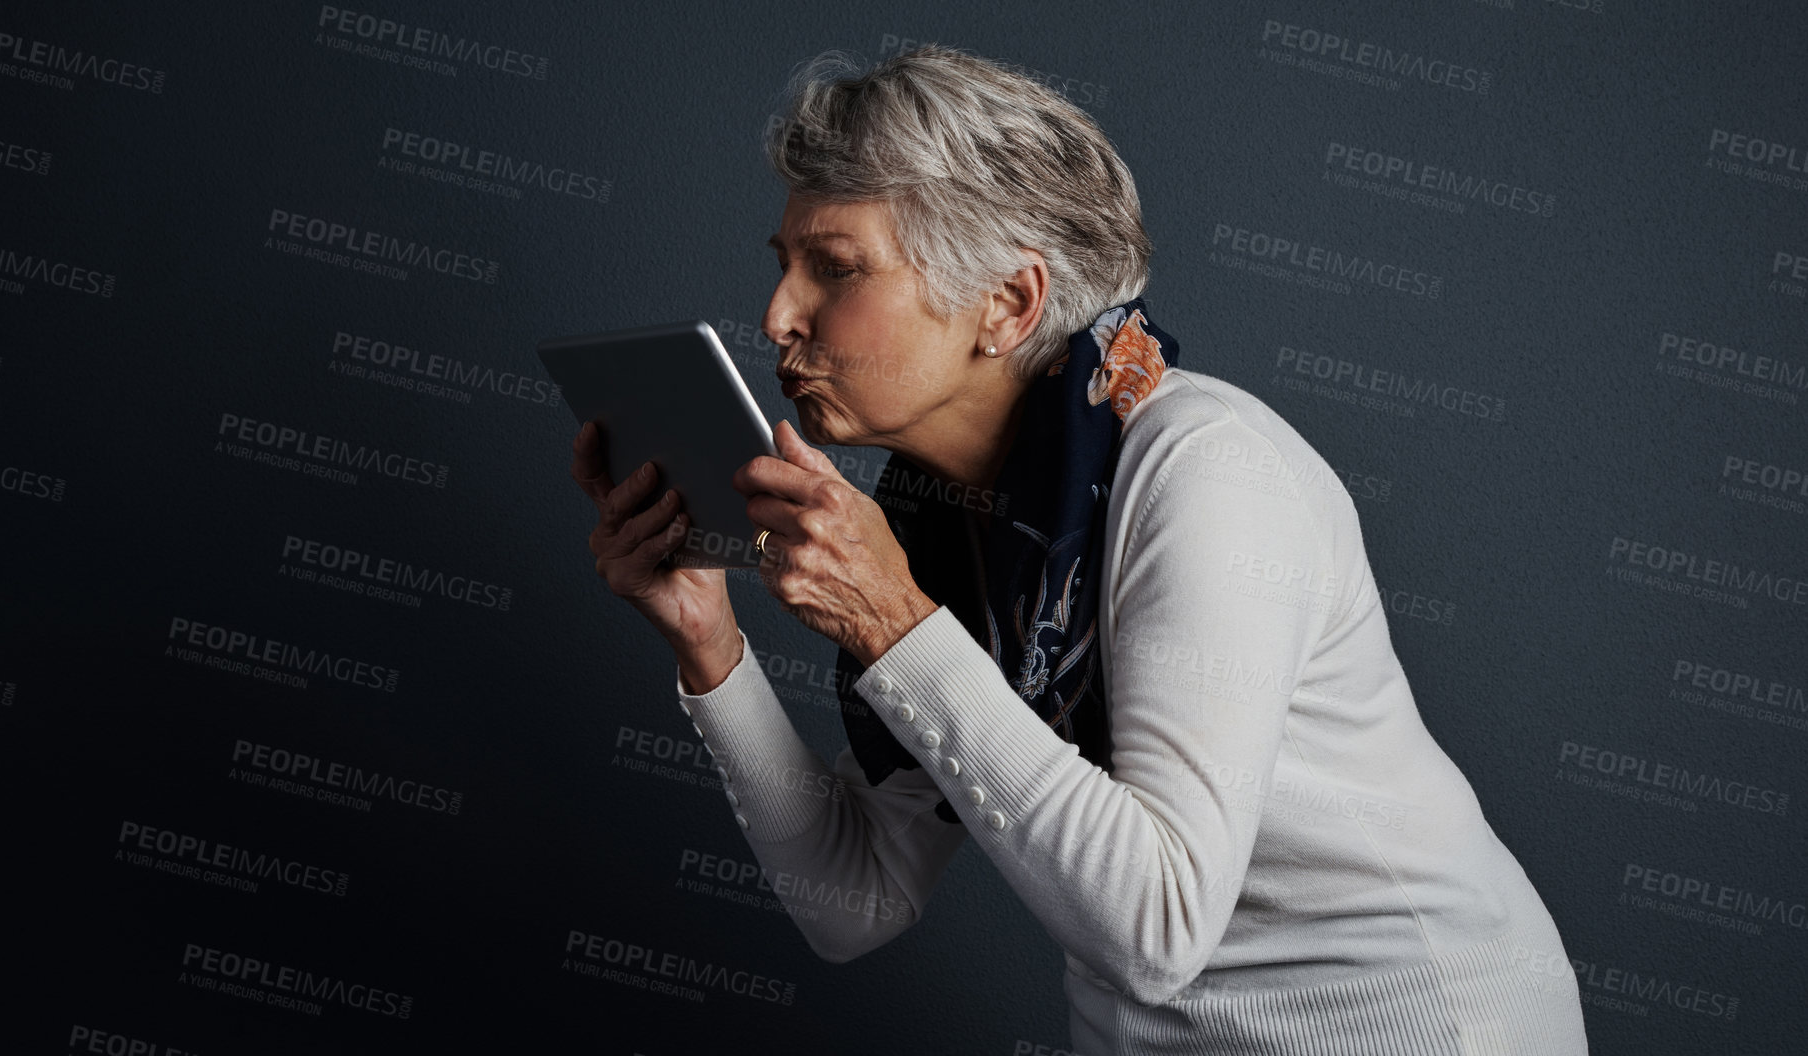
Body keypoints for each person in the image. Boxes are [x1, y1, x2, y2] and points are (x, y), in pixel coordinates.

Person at [570, 44, 1587, 1056]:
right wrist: (711, 648)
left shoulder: (1204, 473)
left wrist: (892, 622)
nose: (776, 316)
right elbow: (853, 903)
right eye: (783, 266)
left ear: (1008, 304)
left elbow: (1157, 928)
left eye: (834, 269)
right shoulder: (945, 519)